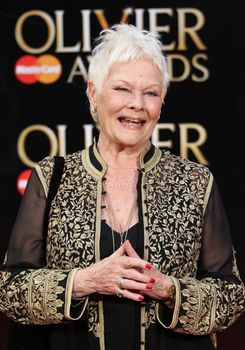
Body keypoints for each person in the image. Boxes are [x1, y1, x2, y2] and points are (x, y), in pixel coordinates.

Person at [0, 23, 244, 350]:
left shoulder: (195, 181)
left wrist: (169, 289)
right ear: (92, 92)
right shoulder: (51, 177)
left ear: (162, 102)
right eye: (122, 89)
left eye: (151, 93)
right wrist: (83, 282)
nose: (137, 104)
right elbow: (11, 289)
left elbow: (230, 296)